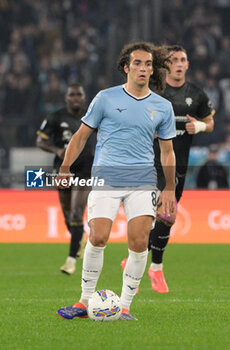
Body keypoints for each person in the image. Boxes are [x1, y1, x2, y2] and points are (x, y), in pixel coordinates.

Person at [56, 42, 176, 321]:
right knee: (97, 237)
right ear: (126, 67)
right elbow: (81, 137)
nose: (143, 68)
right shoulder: (105, 98)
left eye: (148, 64)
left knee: (138, 242)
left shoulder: (162, 107)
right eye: (137, 63)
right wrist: (64, 169)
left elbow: (167, 151)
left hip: (142, 181)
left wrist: (169, 187)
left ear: (152, 69)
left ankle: (124, 307)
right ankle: (85, 301)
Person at [147, 45, 215, 293]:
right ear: (166, 65)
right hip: (152, 162)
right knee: (164, 214)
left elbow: (210, 123)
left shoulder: (196, 95)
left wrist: (198, 128)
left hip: (180, 164)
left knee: (165, 218)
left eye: (182, 59)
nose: (178, 63)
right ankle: (156, 267)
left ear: (187, 65)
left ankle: (139, 256)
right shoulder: (154, 93)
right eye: (174, 59)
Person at [36, 83, 96, 275]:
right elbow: (40, 140)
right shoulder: (55, 117)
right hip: (63, 170)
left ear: (84, 97)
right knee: (67, 214)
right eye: (72, 94)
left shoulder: (92, 116)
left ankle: (70, 261)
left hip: (86, 169)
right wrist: (57, 150)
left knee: (78, 213)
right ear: (66, 97)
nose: (76, 97)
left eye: (79, 94)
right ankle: (78, 238)